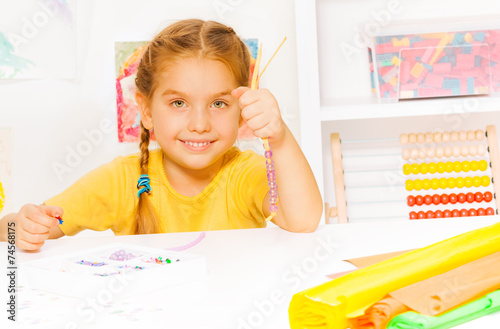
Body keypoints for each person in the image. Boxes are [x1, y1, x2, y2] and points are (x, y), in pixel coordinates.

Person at [0, 19, 322, 251]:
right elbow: (31, 227)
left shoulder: (244, 174)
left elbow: (304, 221)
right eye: (179, 103)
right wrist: (22, 226)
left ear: (242, 109)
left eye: (219, 103)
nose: (199, 123)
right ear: (147, 110)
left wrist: (279, 137)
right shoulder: (122, 180)